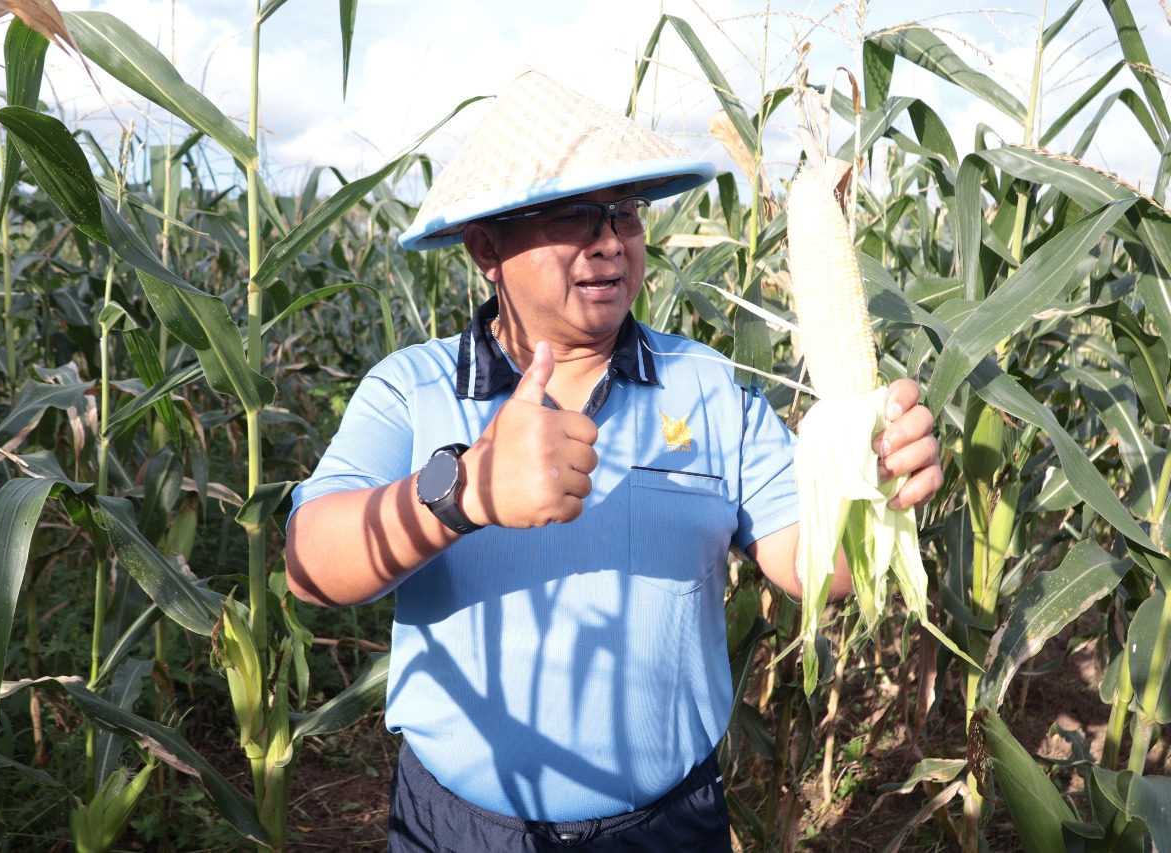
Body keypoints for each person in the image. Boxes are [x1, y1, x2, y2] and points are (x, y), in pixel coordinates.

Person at [285, 69, 942, 852]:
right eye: (572, 215)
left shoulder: (705, 385)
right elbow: (310, 565)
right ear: (486, 247)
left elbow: (814, 567)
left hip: (668, 826)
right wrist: (467, 490)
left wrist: (872, 486)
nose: (608, 242)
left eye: (623, 214)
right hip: (461, 829)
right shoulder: (412, 388)